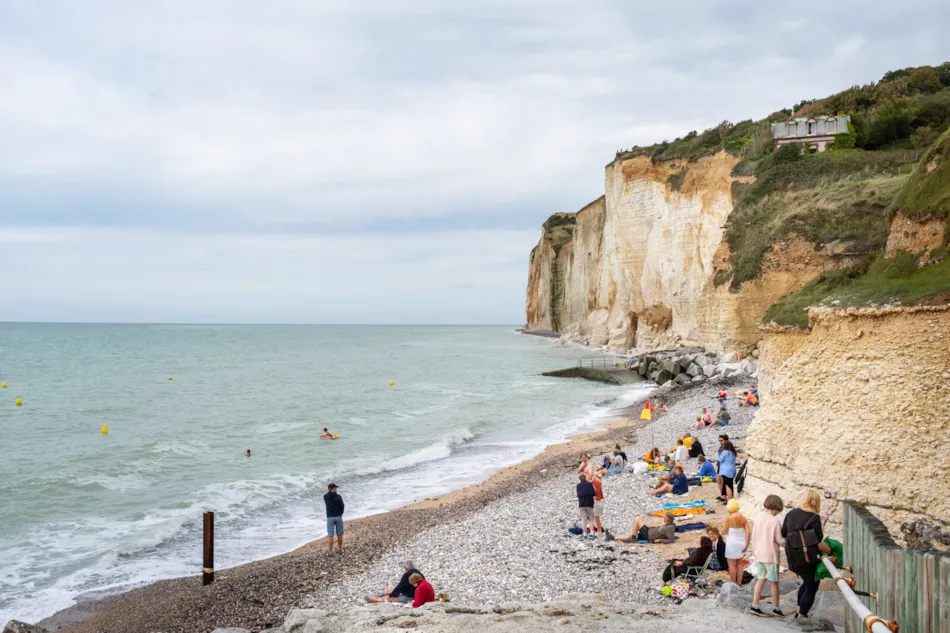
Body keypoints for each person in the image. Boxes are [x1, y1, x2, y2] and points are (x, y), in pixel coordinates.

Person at [783, 490, 832, 619]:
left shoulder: (791, 513)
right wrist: (830, 551)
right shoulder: (814, 518)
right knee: (812, 586)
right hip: (807, 558)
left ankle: (799, 611)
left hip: (792, 557)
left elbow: (784, 533)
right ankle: (801, 615)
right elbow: (818, 542)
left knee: (806, 582)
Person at [749, 495, 786, 617]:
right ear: (776, 507)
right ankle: (776, 608)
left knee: (761, 579)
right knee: (774, 582)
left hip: (759, 554)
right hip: (771, 556)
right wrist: (788, 543)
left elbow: (753, 537)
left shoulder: (758, 519)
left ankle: (755, 605)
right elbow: (779, 540)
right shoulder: (775, 521)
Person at [721, 499, 751, 585]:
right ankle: (739, 582)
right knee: (740, 565)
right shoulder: (743, 518)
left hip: (732, 545)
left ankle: (733, 583)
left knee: (732, 566)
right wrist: (747, 545)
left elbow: (723, 532)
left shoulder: (729, 518)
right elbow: (748, 533)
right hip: (742, 543)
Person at [324, 483, 345, 554]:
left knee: (330, 535)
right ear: (331, 489)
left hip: (330, 517)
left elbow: (328, 498)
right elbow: (342, 506)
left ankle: (330, 551)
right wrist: (340, 513)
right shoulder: (338, 496)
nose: (336, 489)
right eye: (335, 488)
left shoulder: (325, 497)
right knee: (339, 534)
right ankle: (340, 548)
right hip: (338, 516)